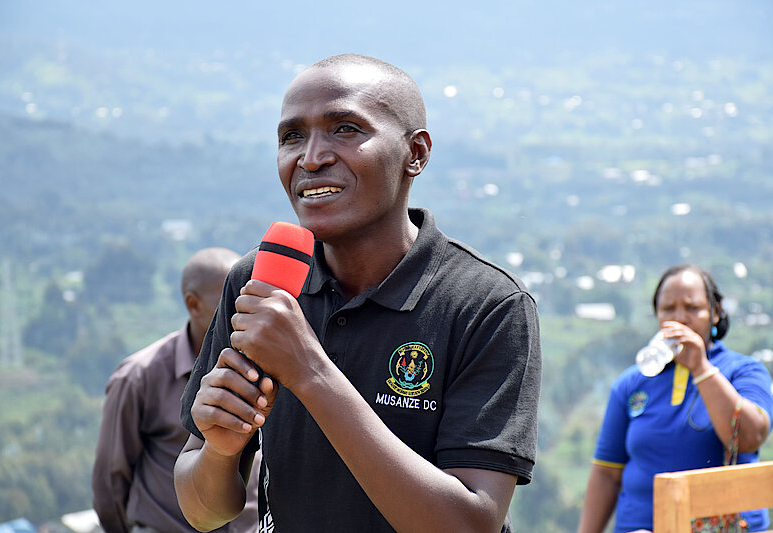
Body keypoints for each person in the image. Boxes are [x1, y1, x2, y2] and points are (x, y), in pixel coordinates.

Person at [174, 54, 542, 533]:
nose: (311, 158)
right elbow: (204, 512)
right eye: (291, 137)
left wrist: (309, 370)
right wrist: (221, 452)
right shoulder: (260, 283)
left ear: (416, 153)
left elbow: (471, 525)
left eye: (345, 129)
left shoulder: (486, 306)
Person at [577, 264, 773, 533]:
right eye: (668, 309)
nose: (680, 318)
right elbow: (606, 473)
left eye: (692, 308)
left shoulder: (744, 372)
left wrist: (701, 369)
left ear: (715, 313)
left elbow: (750, 438)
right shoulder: (631, 383)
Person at [92, 247, 262, 533]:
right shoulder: (139, 377)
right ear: (193, 305)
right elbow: (110, 480)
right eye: (230, 299)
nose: (242, 308)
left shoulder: (261, 367)